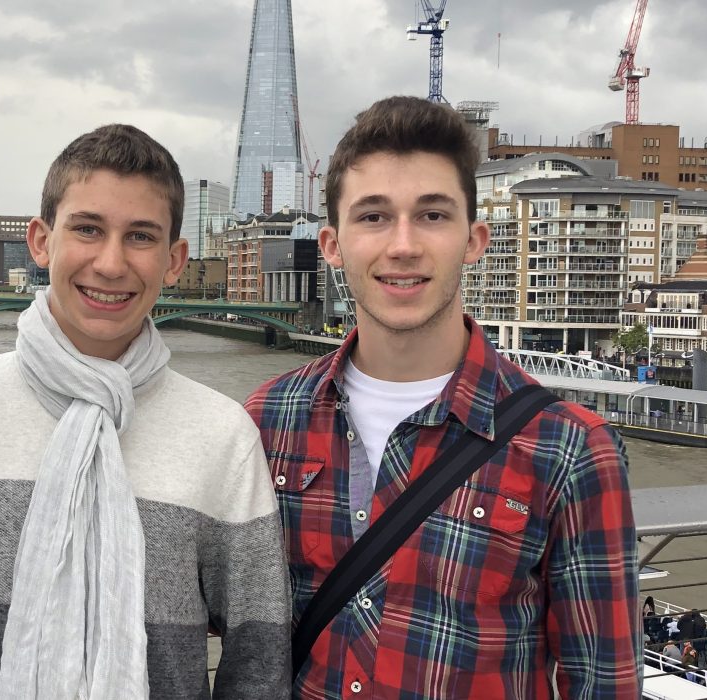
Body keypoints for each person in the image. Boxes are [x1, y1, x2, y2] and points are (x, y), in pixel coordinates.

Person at [247, 96, 640, 698]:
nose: (403, 245)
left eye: (432, 215)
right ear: (332, 245)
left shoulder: (572, 450)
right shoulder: (265, 422)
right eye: (373, 216)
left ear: (474, 239)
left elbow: (604, 683)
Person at [0, 124, 291, 698]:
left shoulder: (222, 435)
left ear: (174, 260)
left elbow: (258, 653)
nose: (111, 264)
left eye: (140, 236)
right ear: (41, 241)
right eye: (87, 229)